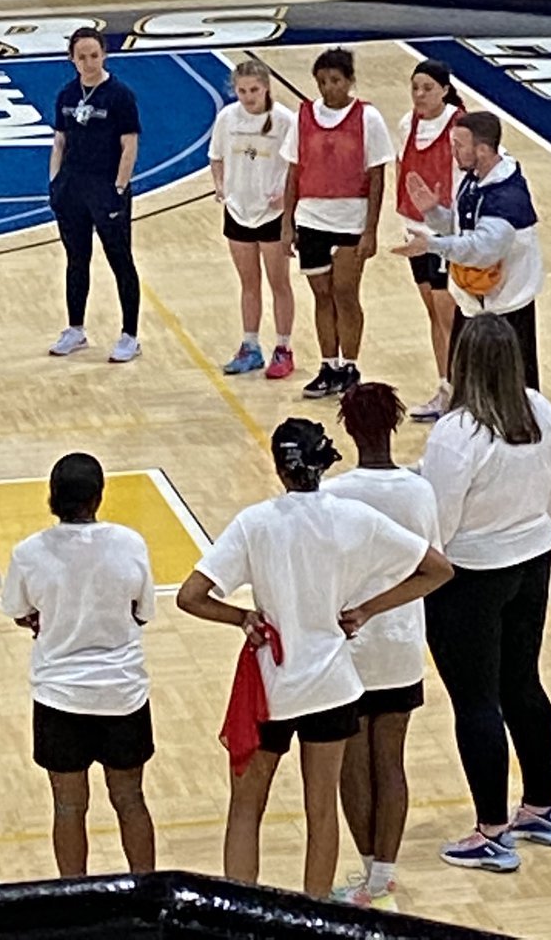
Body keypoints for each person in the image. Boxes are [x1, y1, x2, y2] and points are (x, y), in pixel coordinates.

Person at [176, 418, 450, 899]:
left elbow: (191, 596)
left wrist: (240, 617)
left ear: (279, 468)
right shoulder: (354, 518)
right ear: (323, 464)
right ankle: (316, 917)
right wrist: (366, 609)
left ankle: (240, 914)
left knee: (246, 807)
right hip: (331, 685)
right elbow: (437, 569)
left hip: (272, 685)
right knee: (321, 811)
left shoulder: (254, 522)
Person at [421, 313, 551, 872]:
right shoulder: (543, 411)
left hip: (472, 577)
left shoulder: (457, 434)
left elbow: (441, 523)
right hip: (533, 561)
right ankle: (540, 806)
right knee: (523, 683)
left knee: (476, 700)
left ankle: (490, 830)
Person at [1, 453, 156, 877]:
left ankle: (73, 899)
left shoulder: (29, 551)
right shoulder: (130, 543)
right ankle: (145, 897)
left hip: (59, 695)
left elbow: (16, 610)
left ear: (52, 498)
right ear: (99, 497)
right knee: (130, 799)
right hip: (121, 692)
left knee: (68, 806)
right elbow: (143, 612)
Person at [323, 383, 445, 908]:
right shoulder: (419, 491)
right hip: (400, 641)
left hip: (348, 643)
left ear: (348, 429)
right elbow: (433, 564)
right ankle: (382, 876)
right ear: (394, 426)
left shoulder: (334, 494)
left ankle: (368, 869)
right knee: (390, 759)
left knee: (354, 759)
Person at [394, 111, 544, 390]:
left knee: (513, 400)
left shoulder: (508, 196)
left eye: (459, 145)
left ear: (483, 150)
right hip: (472, 307)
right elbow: (461, 227)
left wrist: (431, 245)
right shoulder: (473, 179)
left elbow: (482, 249)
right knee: (466, 393)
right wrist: (433, 213)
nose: (453, 152)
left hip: (507, 313)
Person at [280, 48, 395, 398]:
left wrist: (371, 229)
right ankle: (328, 365)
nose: (329, 88)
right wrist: (287, 225)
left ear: (349, 81)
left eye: (335, 81)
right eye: (322, 82)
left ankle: (350, 366)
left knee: (345, 292)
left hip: (351, 218)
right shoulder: (303, 117)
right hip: (311, 218)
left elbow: (377, 176)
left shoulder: (368, 117)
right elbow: (293, 172)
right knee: (321, 295)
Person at [48, 27, 142, 363]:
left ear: (104, 54)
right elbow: (60, 141)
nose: (88, 62)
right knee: (76, 260)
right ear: (72, 59)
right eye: (81, 56)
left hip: (106, 188)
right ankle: (76, 329)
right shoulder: (66, 95)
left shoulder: (120, 95)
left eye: (94, 55)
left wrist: (119, 187)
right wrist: (55, 182)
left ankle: (130, 335)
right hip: (72, 189)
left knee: (121, 262)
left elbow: (129, 145)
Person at [209, 60, 296, 378]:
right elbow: (216, 157)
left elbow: (297, 164)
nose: (248, 97)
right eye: (242, 90)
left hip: (272, 215)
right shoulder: (227, 118)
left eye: (254, 90)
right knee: (249, 283)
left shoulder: (285, 120)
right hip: (237, 211)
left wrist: (286, 197)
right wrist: (220, 187)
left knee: (279, 283)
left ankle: (284, 349)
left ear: (267, 87)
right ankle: (250, 346)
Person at [396, 61, 465, 421]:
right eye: (415, 87)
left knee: (448, 312)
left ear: (444, 89)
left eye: (427, 87)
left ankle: (464, 391)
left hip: (446, 233)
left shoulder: (459, 127)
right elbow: (401, 169)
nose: (420, 94)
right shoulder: (407, 124)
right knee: (432, 312)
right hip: (414, 229)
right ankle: (446, 386)